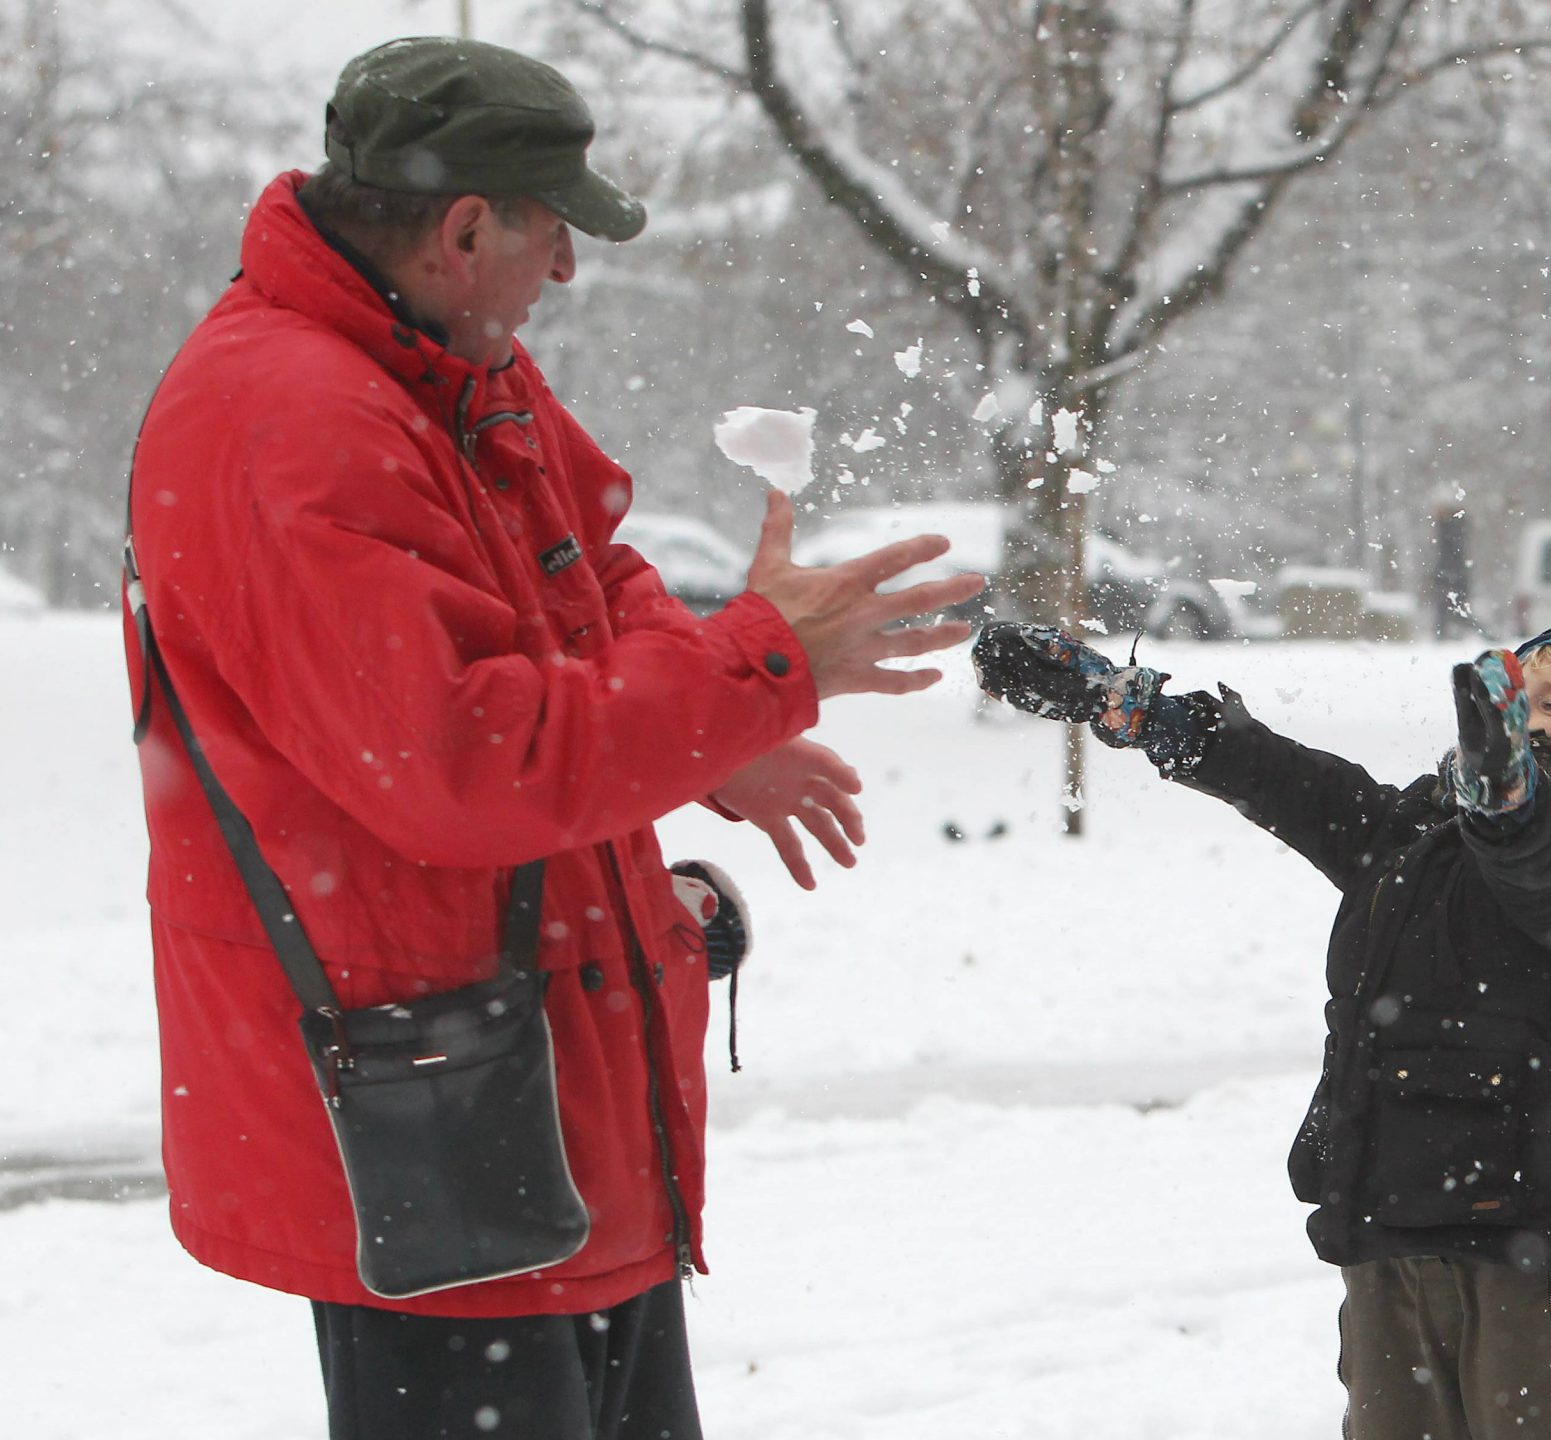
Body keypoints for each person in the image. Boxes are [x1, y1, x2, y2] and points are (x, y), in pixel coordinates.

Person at [123, 36, 983, 1440]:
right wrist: (758, 669)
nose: (567, 273)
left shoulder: (446, 363)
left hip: (530, 1107)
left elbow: (594, 579)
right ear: (465, 230)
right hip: (438, 1127)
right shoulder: (297, 421)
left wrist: (714, 725)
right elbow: (467, 763)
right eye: (554, 232)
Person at [973, 618, 1551, 1440]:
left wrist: (1506, 795)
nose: (1528, 719)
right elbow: (1293, 783)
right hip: (1383, 1208)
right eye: (1520, 694)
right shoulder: (1413, 826)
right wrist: (1143, 711)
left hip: (1512, 1228)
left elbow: (1541, 861)